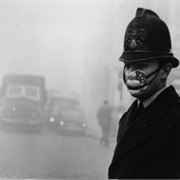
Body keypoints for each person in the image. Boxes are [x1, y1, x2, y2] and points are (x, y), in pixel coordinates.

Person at [108, 7, 180, 179]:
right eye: (128, 65)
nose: (132, 73)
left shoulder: (177, 119)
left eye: (141, 66)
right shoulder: (128, 118)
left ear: (165, 70)